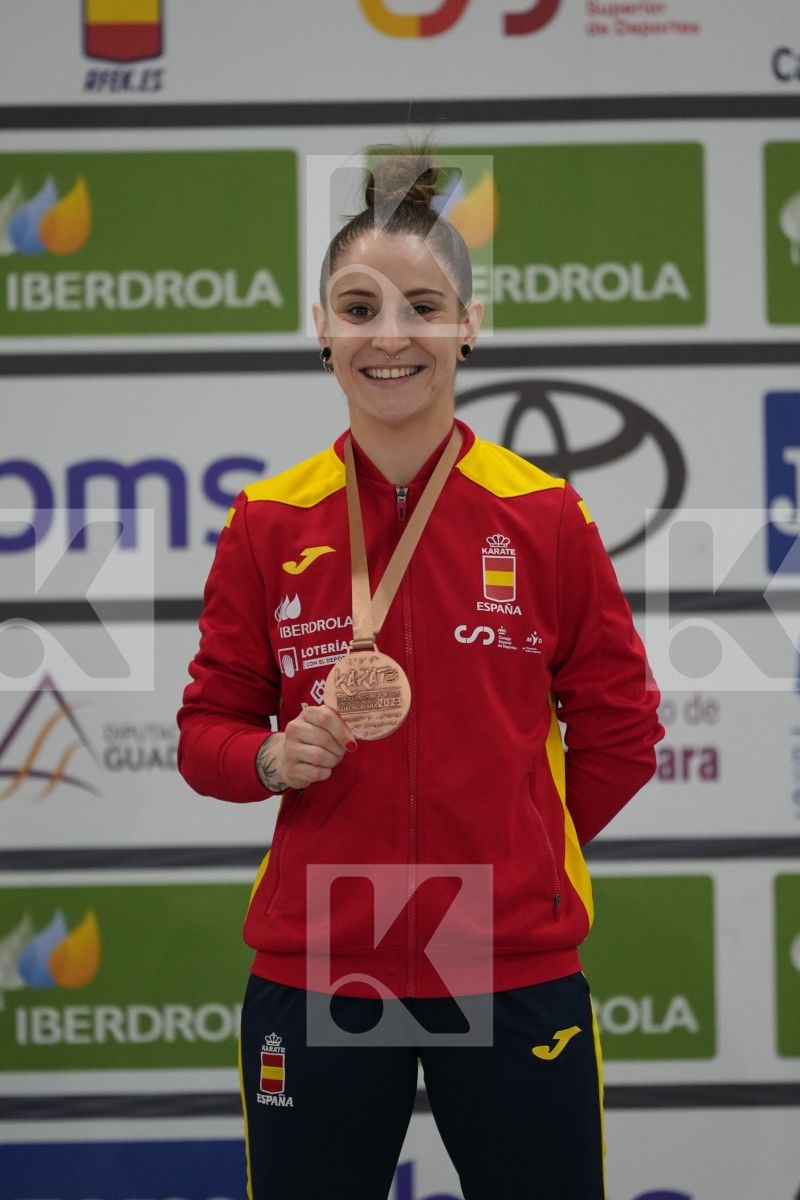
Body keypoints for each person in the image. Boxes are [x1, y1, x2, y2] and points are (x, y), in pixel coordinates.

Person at [177, 152, 663, 1200]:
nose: (389, 334)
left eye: (422, 306)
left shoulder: (543, 517)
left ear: (467, 324)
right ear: (321, 326)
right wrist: (266, 756)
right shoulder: (267, 522)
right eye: (359, 307)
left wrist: (523, 839)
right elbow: (205, 730)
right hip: (318, 968)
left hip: (507, 962)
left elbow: (621, 729)